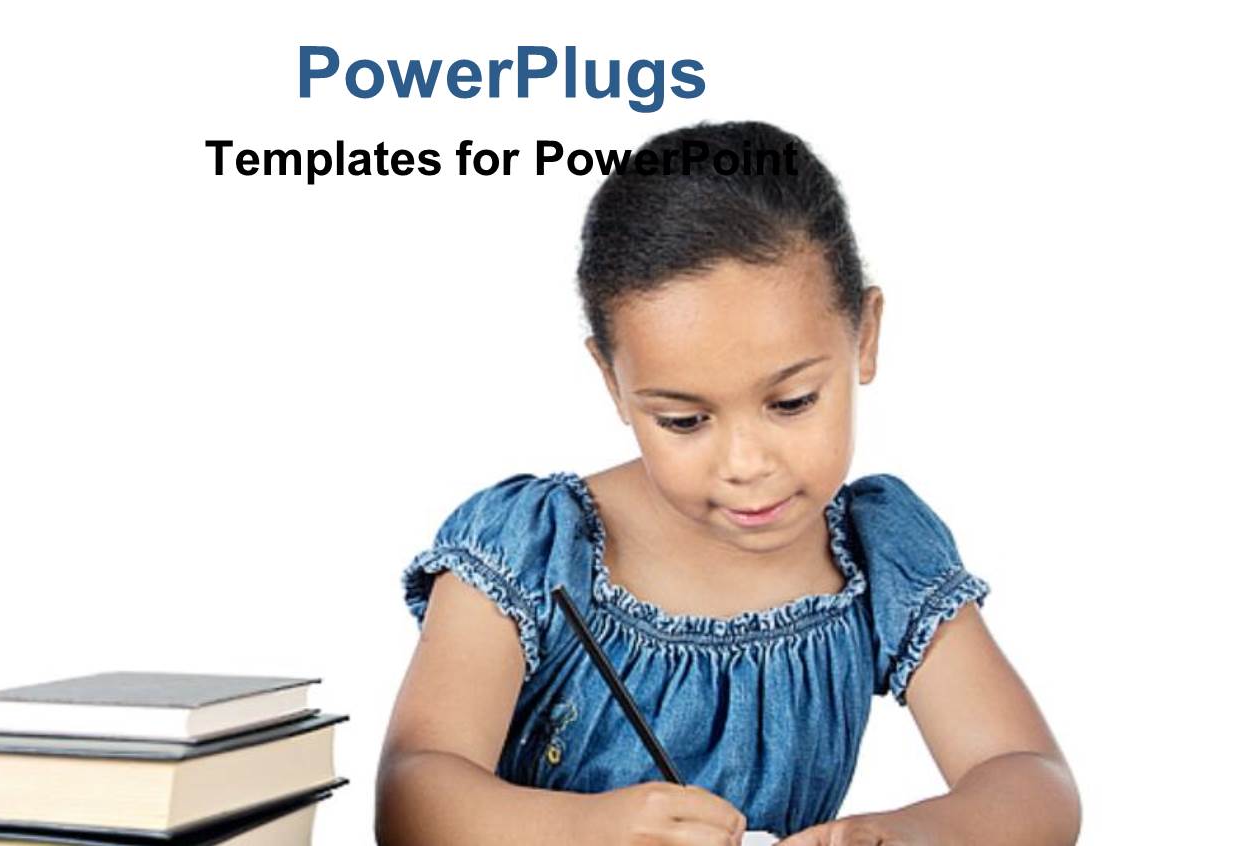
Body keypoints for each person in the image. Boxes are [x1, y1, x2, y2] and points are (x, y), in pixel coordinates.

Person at [374, 121, 1080, 845]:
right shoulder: (533, 548)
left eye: (793, 402)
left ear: (864, 337)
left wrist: (918, 835)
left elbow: (1029, 776)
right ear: (613, 382)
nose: (745, 462)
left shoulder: (876, 553)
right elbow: (412, 797)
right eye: (684, 420)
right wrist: (587, 830)